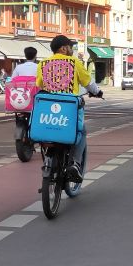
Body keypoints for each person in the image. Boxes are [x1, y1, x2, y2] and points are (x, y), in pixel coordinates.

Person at [37, 35, 102, 182]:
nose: (72, 50)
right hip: (69, 107)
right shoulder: (74, 62)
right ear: (63, 48)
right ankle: (74, 164)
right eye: (70, 47)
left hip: (48, 108)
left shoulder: (43, 64)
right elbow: (88, 82)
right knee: (81, 132)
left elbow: (39, 84)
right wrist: (97, 92)